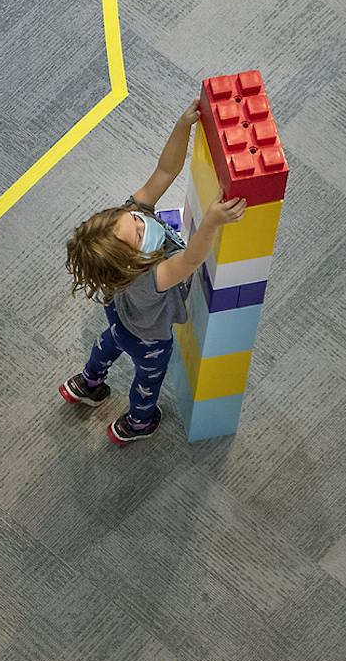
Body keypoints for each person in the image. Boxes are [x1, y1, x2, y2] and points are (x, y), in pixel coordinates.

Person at [60, 101, 245, 445]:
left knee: (110, 340)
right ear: (132, 262)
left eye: (132, 218)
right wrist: (213, 221)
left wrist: (182, 125)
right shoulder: (151, 277)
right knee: (148, 379)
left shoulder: (130, 220)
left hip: (120, 314)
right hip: (149, 339)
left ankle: (89, 382)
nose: (140, 219)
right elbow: (191, 260)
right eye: (139, 231)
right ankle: (138, 422)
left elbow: (164, 171)